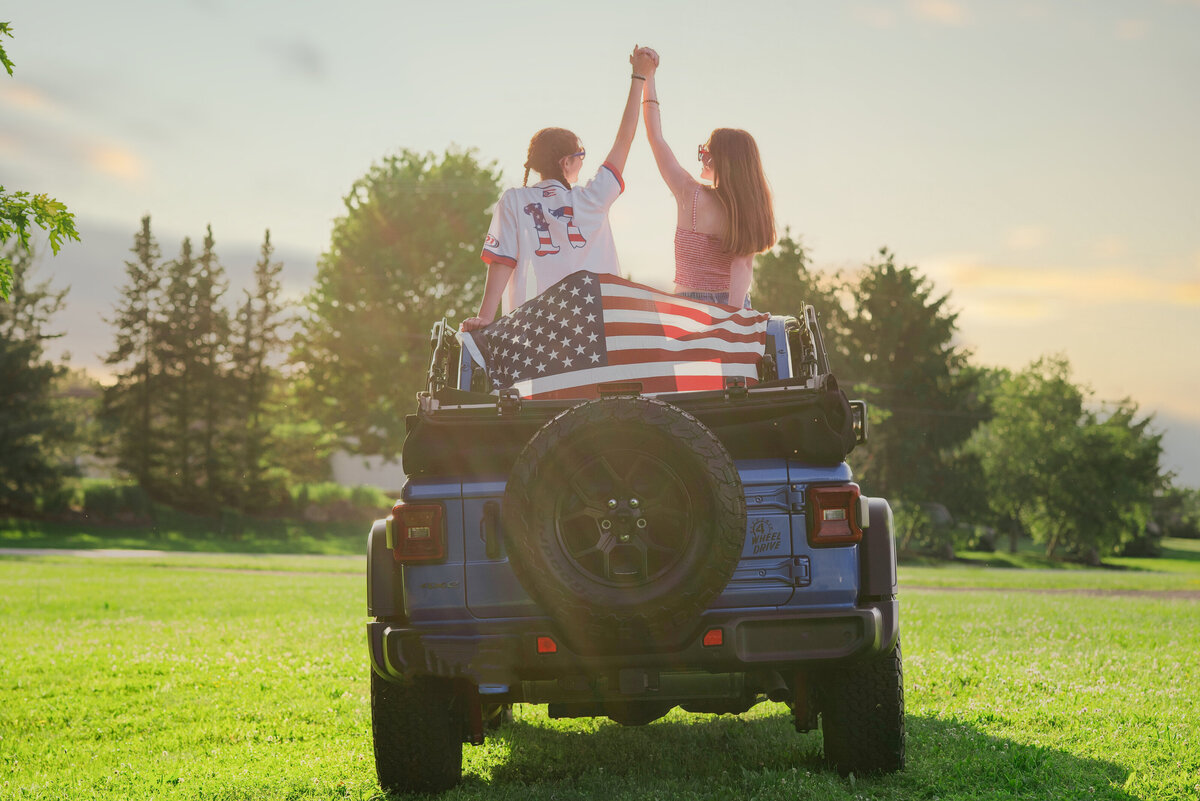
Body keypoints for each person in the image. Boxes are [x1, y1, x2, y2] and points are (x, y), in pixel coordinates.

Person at [461, 47, 658, 333]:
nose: (582, 161)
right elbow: (624, 138)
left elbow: (501, 261)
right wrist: (639, 77)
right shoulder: (592, 198)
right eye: (580, 155)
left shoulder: (514, 199)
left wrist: (486, 317)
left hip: (535, 333)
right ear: (566, 162)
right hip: (596, 331)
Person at [637, 47, 776, 308]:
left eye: (705, 150)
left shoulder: (689, 193)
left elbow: (655, 137)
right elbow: (743, 266)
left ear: (718, 159)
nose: (701, 155)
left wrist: (649, 78)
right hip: (735, 307)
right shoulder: (748, 207)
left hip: (689, 312)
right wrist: (733, 320)